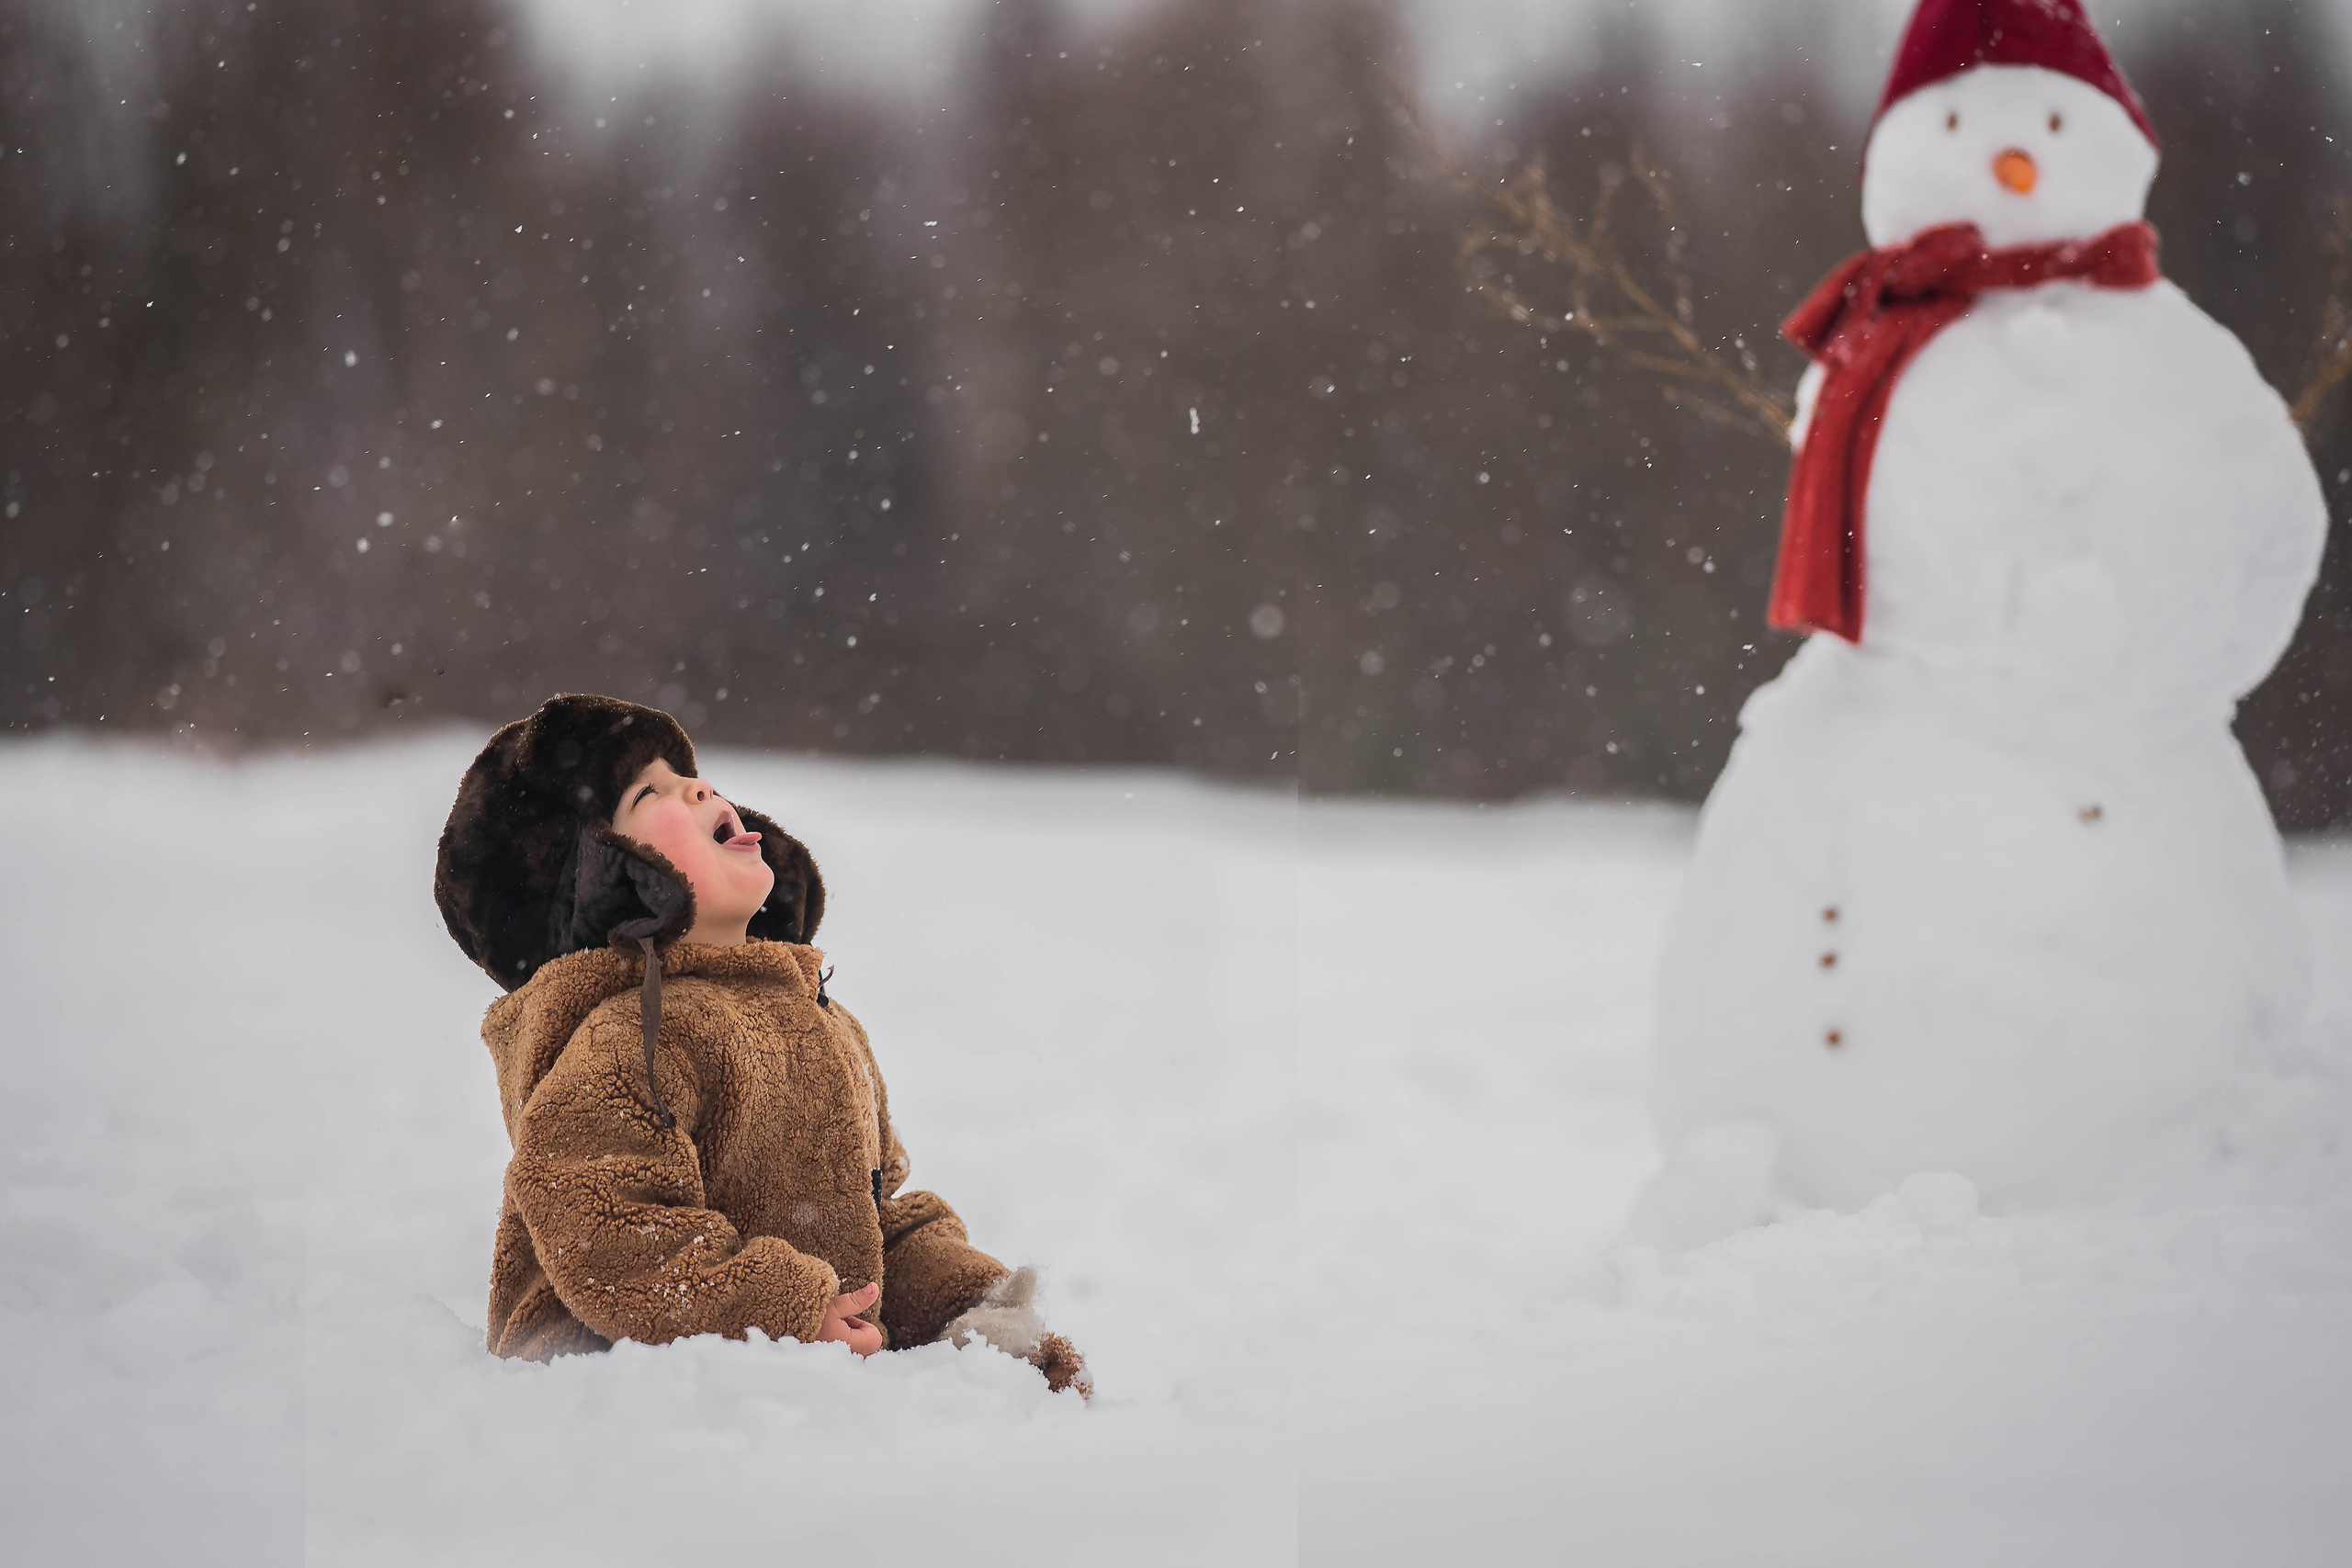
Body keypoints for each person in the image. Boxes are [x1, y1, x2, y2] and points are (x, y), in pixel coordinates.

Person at [433, 693, 1087, 1393]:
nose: (701, 787)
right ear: (604, 881)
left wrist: (972, 1314)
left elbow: (871, 1223)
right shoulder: (627, 1039)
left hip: (787, 1385)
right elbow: (605, 1224)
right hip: (609, 1393)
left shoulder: (816, 1023)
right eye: (652, 792)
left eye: (694, 777)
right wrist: (775, 1311)